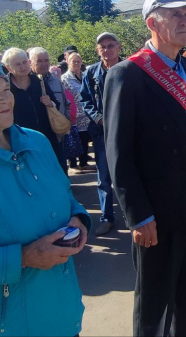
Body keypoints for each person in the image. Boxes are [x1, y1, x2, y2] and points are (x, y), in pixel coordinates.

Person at [104, 0, 186, 336]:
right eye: (175, 15)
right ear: (152, 23)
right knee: (153, 306)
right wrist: (138, 215)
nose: (185, 21)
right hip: (156, 214)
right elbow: (117, 152)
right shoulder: (127, 75)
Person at [0, 69, 91, 336]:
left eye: (5, 91)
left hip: (65, 314)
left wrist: (78, 219)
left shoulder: (37, 141)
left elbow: (67, 196)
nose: (5, 100)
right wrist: (24, 257)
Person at [81, 32, 122, 236]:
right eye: (102, 47)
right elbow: (84, 99)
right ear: (98, 51)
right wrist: (98, 117)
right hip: (102, 133)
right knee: (104, 178)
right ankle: (107, 218)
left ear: (119, 47)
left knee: (128, 174)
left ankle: (135, 216)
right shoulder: (91, 73)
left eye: (110, 45)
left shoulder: (129, 69)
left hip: (126, 131)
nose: (106, 50)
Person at [1, 48, 61, 164]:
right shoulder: (5, 88)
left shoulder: (39, 82)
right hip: (20, 143)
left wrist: (51, 103)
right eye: (17, 64)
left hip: (46, 138)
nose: (22, 67)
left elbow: (56, 104)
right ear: (8, 68)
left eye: (24, 62)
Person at [29, 47, 71, 173]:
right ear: (30, 62)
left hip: (57, 133)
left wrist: (66, 123)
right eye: (39, 61)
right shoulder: (27, 82)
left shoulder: (56, 81)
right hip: (37, 137)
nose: (44, 64)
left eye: (46, 60)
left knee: (60, 167)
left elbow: (65, 103)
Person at [62, 52, 95, 173]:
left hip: (86, 114)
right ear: (68, 63)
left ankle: (83, 163)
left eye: (78, 61)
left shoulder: (85, 75)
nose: (76, 63)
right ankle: (74, 164)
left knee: (85, 139)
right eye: (73, 61)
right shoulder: (64, 79)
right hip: (74, 114)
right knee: (75, 139)